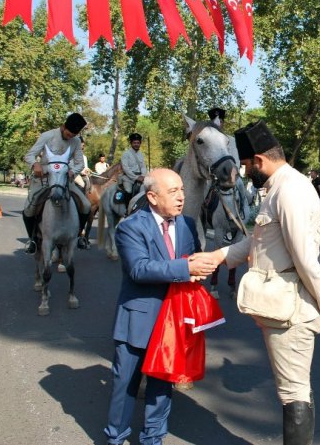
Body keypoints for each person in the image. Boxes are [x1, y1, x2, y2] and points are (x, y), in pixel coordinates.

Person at [201, 120, 320, 445]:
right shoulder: (277, 187)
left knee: (294, 392)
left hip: (290, 308)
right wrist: (218, 257)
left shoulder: (289, 190)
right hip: (280, 305)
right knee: (292, 388)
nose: (246, 173)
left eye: (247, 165)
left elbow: (304, 257)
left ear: (259, 160)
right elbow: (259, 243)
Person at [104, 168, 218, 445]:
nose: (181, 197)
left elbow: (188, 265)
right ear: (152, 197)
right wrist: (185, 267)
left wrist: (197, 271)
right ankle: (116, 438)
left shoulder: (188, 224)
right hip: (138, 321)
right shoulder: (130, 227)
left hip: (173, 321)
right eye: (173, 192)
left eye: (182, 190)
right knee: (125, 386)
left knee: (162, 387)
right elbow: (139, 269)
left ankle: (153, 438)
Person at [22, 113, 92, 253]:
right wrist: (35, 164)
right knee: (28, 209)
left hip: (65, 180)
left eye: (74, 135)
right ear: (63, 126)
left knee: (86, 205)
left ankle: (79, 236)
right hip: (44, 179)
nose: (70, 137)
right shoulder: (47, 136)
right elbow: (29, 155)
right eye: (69, 133)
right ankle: (32, 240)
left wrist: (73, 171)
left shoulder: (76, 141)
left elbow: (79, 163)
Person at [120, 133, 148, 203]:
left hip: (140, 177)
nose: (136, 144)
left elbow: (143, 166)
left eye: (138, 143)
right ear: (131, 143)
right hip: (129, 178)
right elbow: (125, 168)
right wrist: (136, 177)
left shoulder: (141, 154)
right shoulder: (126, 154)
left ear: (140, 143)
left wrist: (143, 175)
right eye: (134, 143)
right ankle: (127, 211)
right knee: (128, 191)